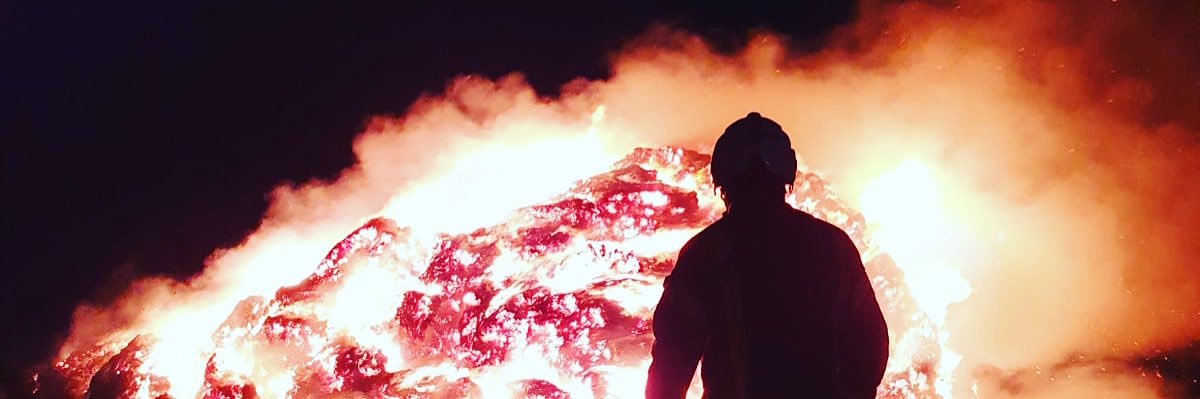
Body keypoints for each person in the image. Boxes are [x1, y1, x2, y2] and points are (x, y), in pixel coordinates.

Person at [646, 112, 889, 399]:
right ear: (786, 174)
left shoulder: (707, 253)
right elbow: (870, 340)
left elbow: (671, 364)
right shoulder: (832, 245)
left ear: (722, 179)